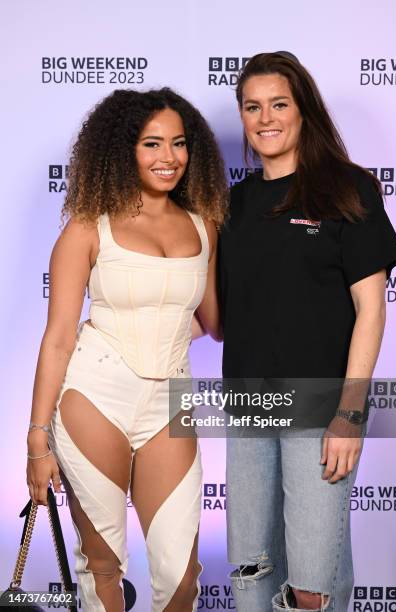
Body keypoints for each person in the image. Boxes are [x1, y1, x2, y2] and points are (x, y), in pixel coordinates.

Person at [218, 52, 396, 611]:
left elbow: (371, 310)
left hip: (322, 408)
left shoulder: (348, 189)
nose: (265, 118)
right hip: (249, 406)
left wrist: (349, 413)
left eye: (279, 104)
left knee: (312, 583)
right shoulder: (234, 204)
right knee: (252, 571)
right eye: (252, 107)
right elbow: (222, 314)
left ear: (304, 111)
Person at [26, 87, 227, 612]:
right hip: (95, 395)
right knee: (103, 565)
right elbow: (59, 337)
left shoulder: (204, 226)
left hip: (170, 403)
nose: (169, 158)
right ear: (123, 150)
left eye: (179, 144)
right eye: (152, 144)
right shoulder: (88, 226)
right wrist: (37, 439)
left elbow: (214, 324)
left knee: (181, 576)